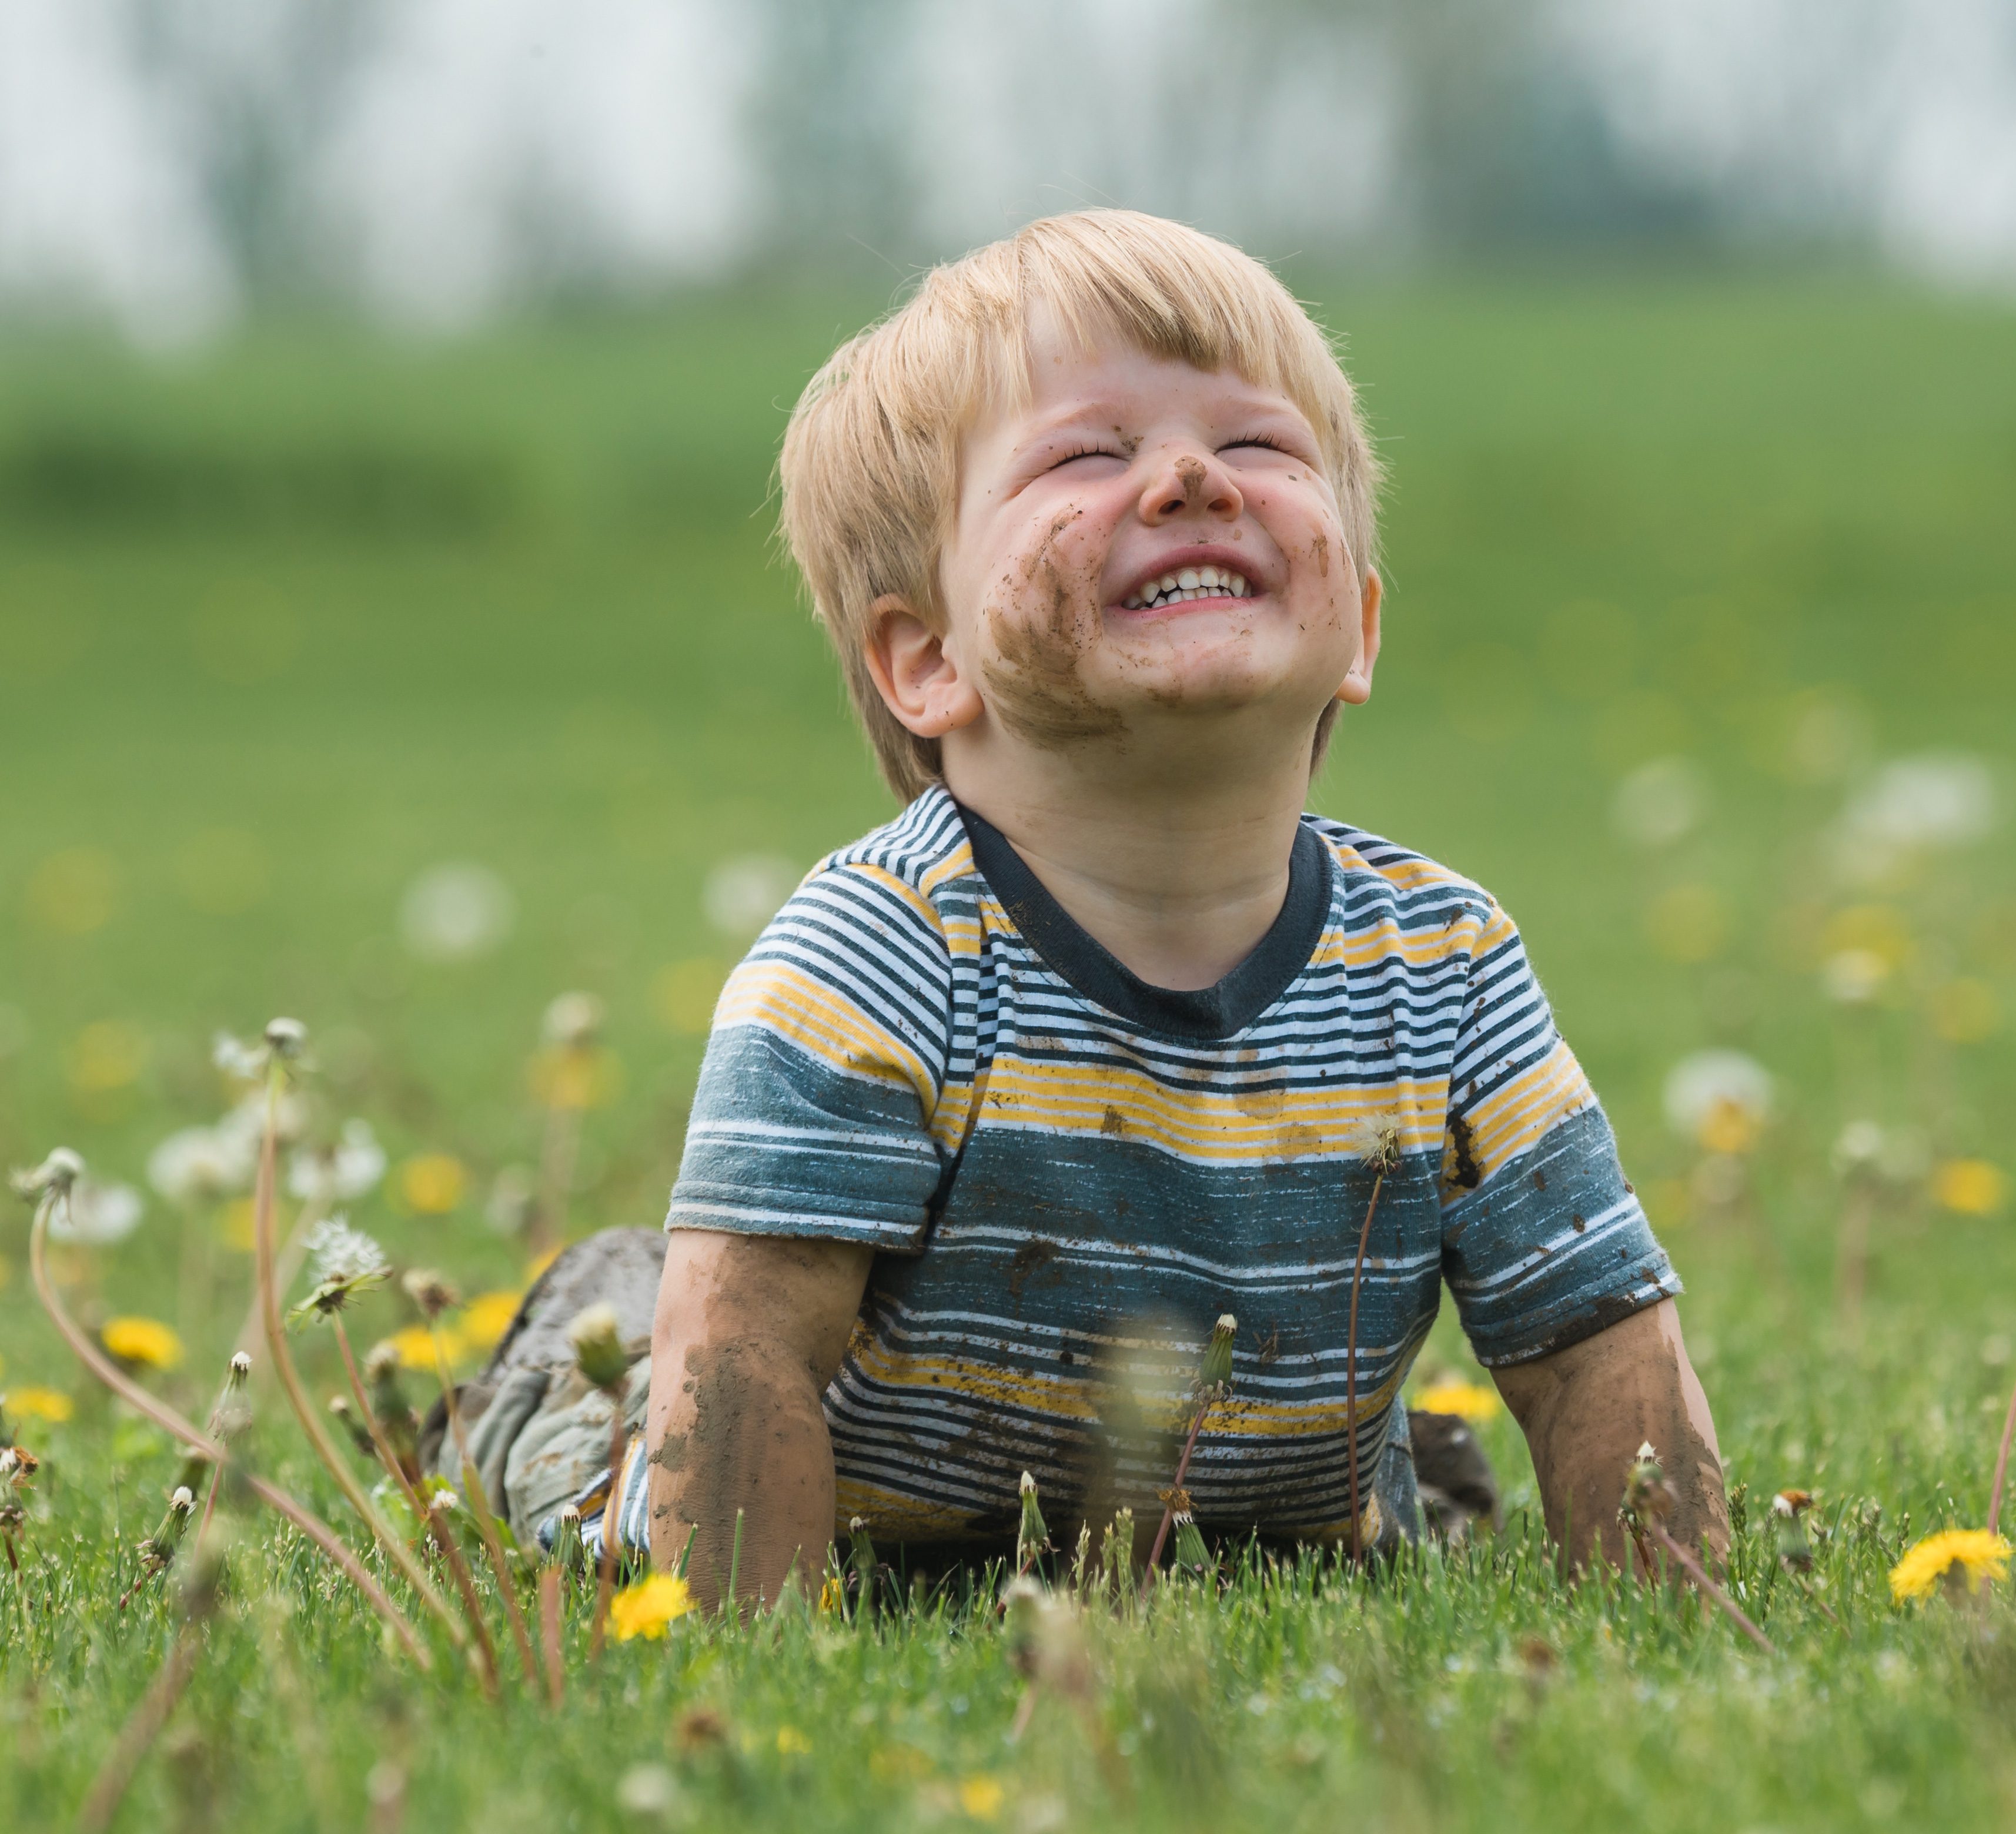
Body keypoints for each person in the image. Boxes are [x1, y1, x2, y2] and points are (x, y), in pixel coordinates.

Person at [622, 209, 1722, 1608]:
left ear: (1362, 628)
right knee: (597, 1383)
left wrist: (1676, 1623)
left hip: (1276, 1524)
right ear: (926, 659)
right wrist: (742, 1676)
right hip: (893, 1539)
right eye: (1088, 452)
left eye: (1260, 446)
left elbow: (1595, 1338)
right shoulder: (880, 957)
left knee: (1414, 1481)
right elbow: (747, 1350)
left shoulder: (1444, 963)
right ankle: (562, 1357)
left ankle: (1400, 1471)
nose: (1194, 476)